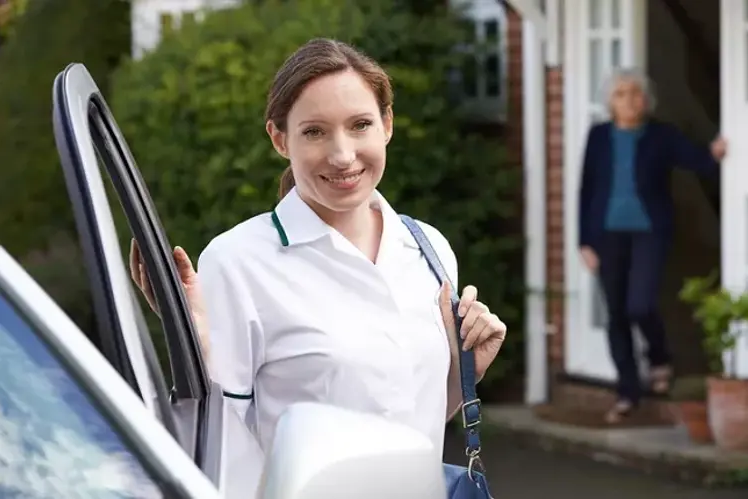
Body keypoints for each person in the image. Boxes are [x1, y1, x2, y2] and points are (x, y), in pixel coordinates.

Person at [130, 38, 507, 464]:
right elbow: (218, 447)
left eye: (360, 125)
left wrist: (468, 370)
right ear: (279, 139)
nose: (343, 155)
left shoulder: (427, 247)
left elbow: (411, 414)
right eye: (314, 132)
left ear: (387, 124)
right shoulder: (237, 261)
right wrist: (197, 345)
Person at [578, 67, 727, 424]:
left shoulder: (661, 135)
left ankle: (659, 358)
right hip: (606, 235)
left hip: (650, 232)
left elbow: (699, 161)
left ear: (647, 100)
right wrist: (584, 241)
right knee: (616, 312)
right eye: (621, 93)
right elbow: (586, 189)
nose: (630, 99)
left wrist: (719, 151)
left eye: (636, 93)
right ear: (610, 102)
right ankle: (627, 392)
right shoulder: (599, 136)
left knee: (640, 304)